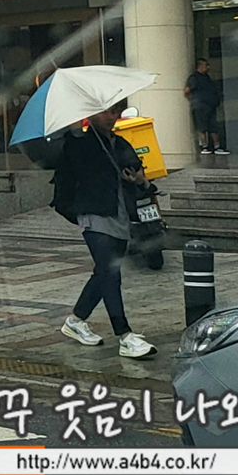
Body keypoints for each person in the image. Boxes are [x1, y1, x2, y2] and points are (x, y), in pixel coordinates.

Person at [51, 101, 156, 358]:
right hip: (93, 214)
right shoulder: (79, 143)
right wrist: (74, 130)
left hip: (121, 215)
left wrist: (140, 181)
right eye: (106, 112)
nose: (112, 117)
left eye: (115, 112)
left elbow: (141, 178)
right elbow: (67, 169)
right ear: (91, 113)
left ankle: (75, 321)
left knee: (104, 273)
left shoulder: (120, 144)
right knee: (111, 271)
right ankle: (124, 335)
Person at [185, 59, 224, 155]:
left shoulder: (207, 78)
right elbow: (187, 90)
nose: (208, 67)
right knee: (202, 127)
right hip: (201, 106)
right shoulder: (194, 77)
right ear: (200, 66)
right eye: (206, 65)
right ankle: (204, 147)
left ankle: (217, 147)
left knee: (213, 127)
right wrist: (195, 99)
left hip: (210, 105)